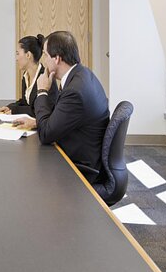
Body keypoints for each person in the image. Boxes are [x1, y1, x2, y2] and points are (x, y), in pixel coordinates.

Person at [14, 31, 110, 184]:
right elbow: (61, 118)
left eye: (45, 55)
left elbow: (46, 135)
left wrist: (42, 91)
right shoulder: (82, 75)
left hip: (80, 168)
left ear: (57, 58)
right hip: (83, 151)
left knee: (23, 173)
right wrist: (37, 122)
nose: (44, 61)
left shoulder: (75, 91)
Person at [0, 34, 58, 117]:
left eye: (18, 53)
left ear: (28, 55)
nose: (16, 58)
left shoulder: (46, 78)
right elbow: (25, 102)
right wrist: (9, 107)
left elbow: (40, 110)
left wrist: (15, 110)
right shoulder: (25, 76)